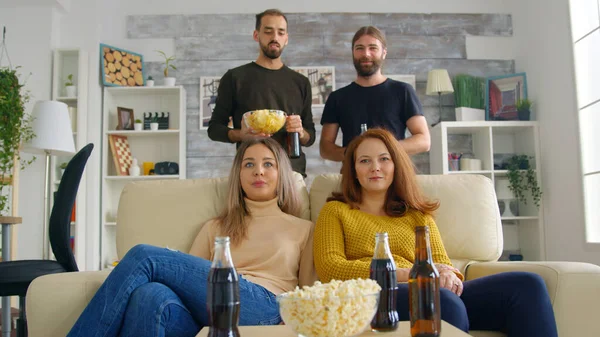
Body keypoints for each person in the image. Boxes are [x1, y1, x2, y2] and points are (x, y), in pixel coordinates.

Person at [313, 128, 558, 337]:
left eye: (384, 159)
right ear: (353, 170)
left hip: (432, 292)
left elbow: (442, 263)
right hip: (376, 296)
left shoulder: (417, 214)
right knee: (441, 301)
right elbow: (330, 268)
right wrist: (408, 274)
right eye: (364, 160)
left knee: (527, 285)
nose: (375, 167)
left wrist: (449, 275)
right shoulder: (335, 211)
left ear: (396, 165)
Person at [67, 138, 317, 337]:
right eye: (249, 164)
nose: (258, 172)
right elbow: (187, 283)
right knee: (150, 295)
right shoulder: (215, 227)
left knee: (144, 256)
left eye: (268, 164)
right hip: (207, 313)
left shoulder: (303, 229)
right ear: (239, 176)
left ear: (281, 172)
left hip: (263, 308)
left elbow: (310, 291)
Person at [208, 8, 316, 178]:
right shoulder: (235, 78)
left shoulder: (301, 82)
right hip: (253, 174)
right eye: (268, 31)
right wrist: (240, 135)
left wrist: (301, 132)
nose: (275, 38)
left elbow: (310, 137)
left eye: (281, 32)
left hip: (292, 173)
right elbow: (214, 129)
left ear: (286, 39)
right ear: (256, 35)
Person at [319, 26, 430, 162]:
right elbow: (325, 148)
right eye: (359, 48)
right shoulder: (337, 97)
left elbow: (424, 140)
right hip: (353, 177)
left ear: (384, 52)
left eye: (373, 48)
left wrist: (383, 150)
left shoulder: (403, 91)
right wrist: (356, 153)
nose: (366, 54)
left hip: (395, 175)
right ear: (353, 52)